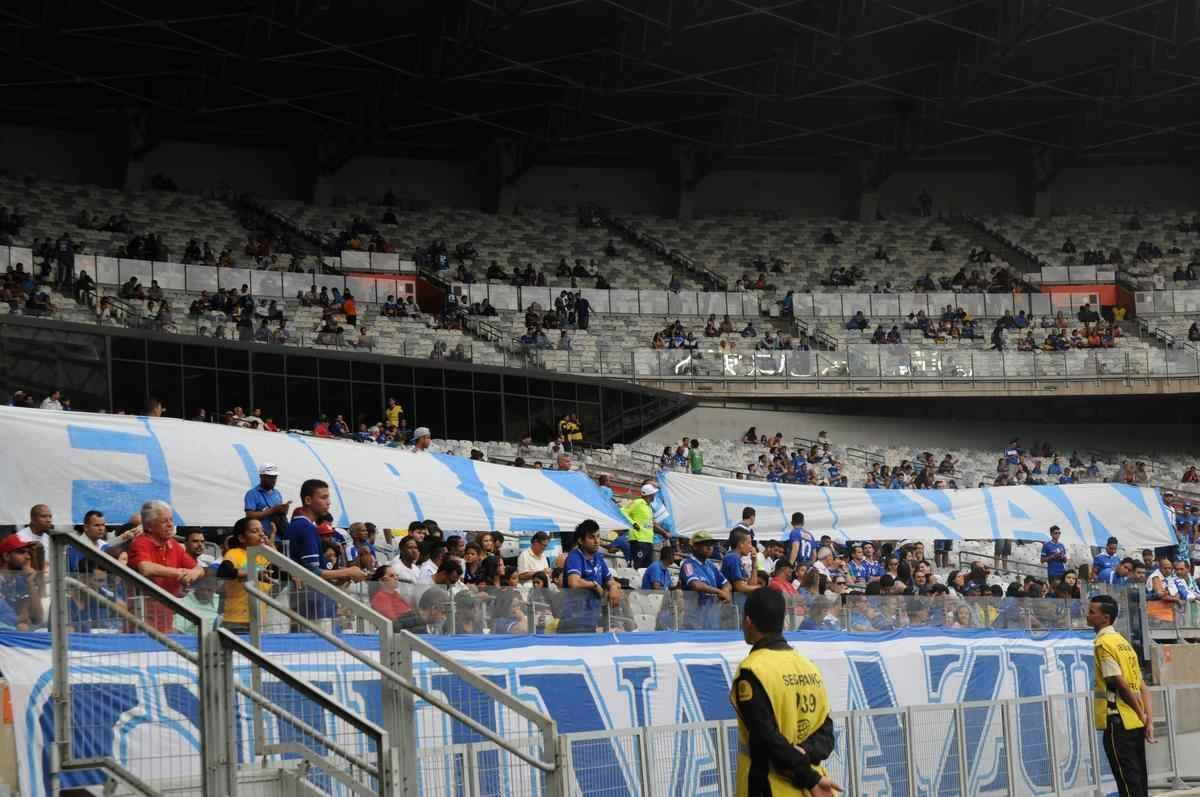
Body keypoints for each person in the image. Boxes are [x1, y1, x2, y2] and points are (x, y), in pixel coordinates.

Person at [731, 588, 839, 797]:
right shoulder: (809, 667)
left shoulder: (752, 670)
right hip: (813, 789)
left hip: (771, 787)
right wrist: (805, 753)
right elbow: (826, 734)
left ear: (748, 621)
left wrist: (810, 779)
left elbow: (766, 738)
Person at [1088, 594, 1152, 797]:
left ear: (1105, 618)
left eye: (1091, 612)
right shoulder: (1123, 643)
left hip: (1119, 722)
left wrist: (1140, 713)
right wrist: (1146, 719)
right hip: (1135, 722)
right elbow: (1142, 686)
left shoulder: (1104, 644)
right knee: (1140, 780)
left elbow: (1119, 683)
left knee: (1128, 783)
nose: (1087, 615)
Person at [285, 479, 368, 626]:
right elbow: (311, 572)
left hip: (311, 602)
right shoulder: (306, 527)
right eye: (323, 497)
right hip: (312, 606)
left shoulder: (301, 524)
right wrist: (348, 572)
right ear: (308, 500)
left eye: (328, 497)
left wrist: (339, 577)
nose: (328, 502)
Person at [127, 500, 205, 632]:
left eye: (171, 520)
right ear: (150, 526)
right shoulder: (141, 543)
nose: (170, 525)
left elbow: (199, 569)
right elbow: (146, 568)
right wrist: (179, 573)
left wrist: (192, 574)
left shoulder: (172, 543)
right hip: (142, 621)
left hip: (167, 618)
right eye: (165, 521)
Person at [560, 520, 621, 633]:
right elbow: (574, 582)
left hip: (591, 620)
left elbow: (610, 580)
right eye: (591, 537)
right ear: (580, 540)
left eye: (598, 536)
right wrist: (594, 585)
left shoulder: (598, 557)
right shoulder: (575, 556)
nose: (596, 541)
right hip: (573, 622)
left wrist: (613, 587)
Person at [216, 517, 272, 632]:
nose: (261, 534)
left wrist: (272, 549)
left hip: (260, 621)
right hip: (236, 621)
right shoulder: (235, 553)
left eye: (262, 530)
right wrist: (254, 573)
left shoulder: (264, 556)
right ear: (242, 538)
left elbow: (281, 573)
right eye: (255, 531)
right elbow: (224, 572)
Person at [680, 532, 732, 629]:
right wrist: (719, 591)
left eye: (711, 544)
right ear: (695, 547)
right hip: (694, 617)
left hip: (711, 615)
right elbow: (695, 585)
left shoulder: (711, 565)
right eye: (705, 544)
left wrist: (725, 591)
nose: (710, 547)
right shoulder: (688, 564)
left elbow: (726, 583)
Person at [244, 463, 290, 541]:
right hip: (261, 539)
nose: (273, 480)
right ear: (261, 477)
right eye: (270, 477)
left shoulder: (277, 493)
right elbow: (249, 515)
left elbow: (279, 514)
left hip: (278, 537)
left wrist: (284, 510)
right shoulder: (252, 494)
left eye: (275, 477)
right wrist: (273, 510)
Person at [621, 483, 660, 569]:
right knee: (637, 566)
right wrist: (633, 523)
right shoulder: (637, 502)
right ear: (650, 494)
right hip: (638, 540)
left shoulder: (649, 507)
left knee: (647, 568)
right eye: (654, 493)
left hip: (648, 541)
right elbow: (622, 511)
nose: (655, 495)